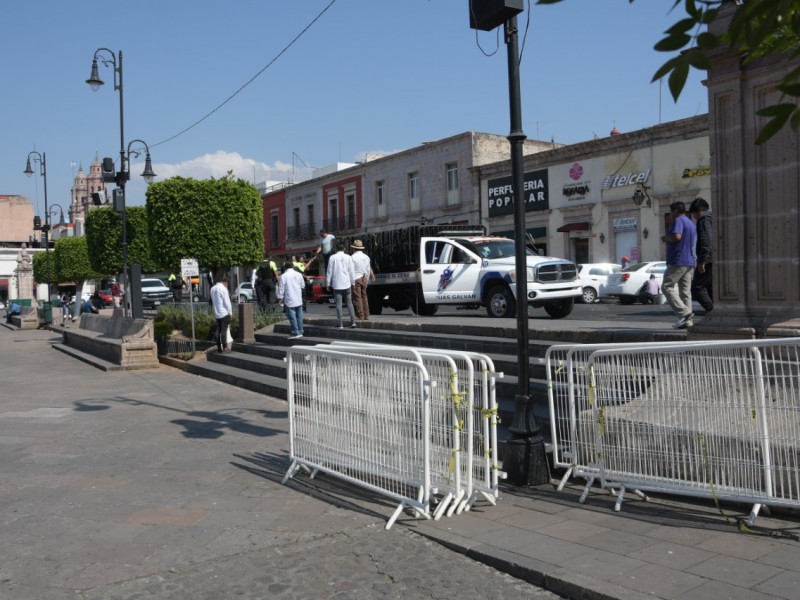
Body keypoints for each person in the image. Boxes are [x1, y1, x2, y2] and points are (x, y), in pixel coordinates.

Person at [661, 201, 697, 329]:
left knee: (666, 286)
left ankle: (685, 313)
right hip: (689, 261)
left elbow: (677, 237)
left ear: (675, 210)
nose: (670, 215)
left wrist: (666, 238)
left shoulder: (679, 221)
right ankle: (688, 323)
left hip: (678, 260)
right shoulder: (691, 223)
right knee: (685, 292)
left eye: (671, 212)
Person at [690, 197, 713, 314]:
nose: (693, 218)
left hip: (708, 259)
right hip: (713, 258)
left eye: (693, 214)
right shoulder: (713, 218)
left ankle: (712, 311)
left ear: (699, 210)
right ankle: (717, 312)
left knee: (697, 288)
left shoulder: (704, 219)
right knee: (710, 288)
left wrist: (703, 260)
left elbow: (706, 239)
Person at [326, 239, 356, 329]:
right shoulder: (348, 257)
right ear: (345, 249)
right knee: (349, 303)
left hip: (337, 284)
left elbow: (329, 272)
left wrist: (328, 283)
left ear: (336, 248)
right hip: (347, 283)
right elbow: (351, 271)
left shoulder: (332, 258)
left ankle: (340, 323)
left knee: (338, 304)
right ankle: (353, 322)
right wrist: (353, 282)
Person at [277, 261, 306, 339]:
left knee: (292, 316)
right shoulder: (299, 274)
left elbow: (281, 288)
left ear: (285, 267)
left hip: (289, 298)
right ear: (293, 266)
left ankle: (295, 332)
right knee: (299, 316)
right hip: (298, 298)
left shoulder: (284, 276)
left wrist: (280, 298)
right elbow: (303, 285)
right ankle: (301, 331)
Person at [350, 239, 375, 321]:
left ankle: (361, 315)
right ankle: (366, 315)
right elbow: (368, 269)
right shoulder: (366, 257)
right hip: (364, 277)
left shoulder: (352, 257)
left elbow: (351, 270)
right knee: (364, 296)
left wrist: (351, 281)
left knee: (357, 298)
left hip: (356, 278)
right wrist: (368, 279)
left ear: (354, 248)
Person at [210, 277, 232, 353]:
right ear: (225, 283)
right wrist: (230, 313)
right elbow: (227, 302)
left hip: (217, 313)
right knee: (223, 330)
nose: (227, 287)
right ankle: (225, 347)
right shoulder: (223, 289)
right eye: (227, 285)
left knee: (218, 330)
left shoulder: (212, 289)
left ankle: (219, 347)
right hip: (224, 313)